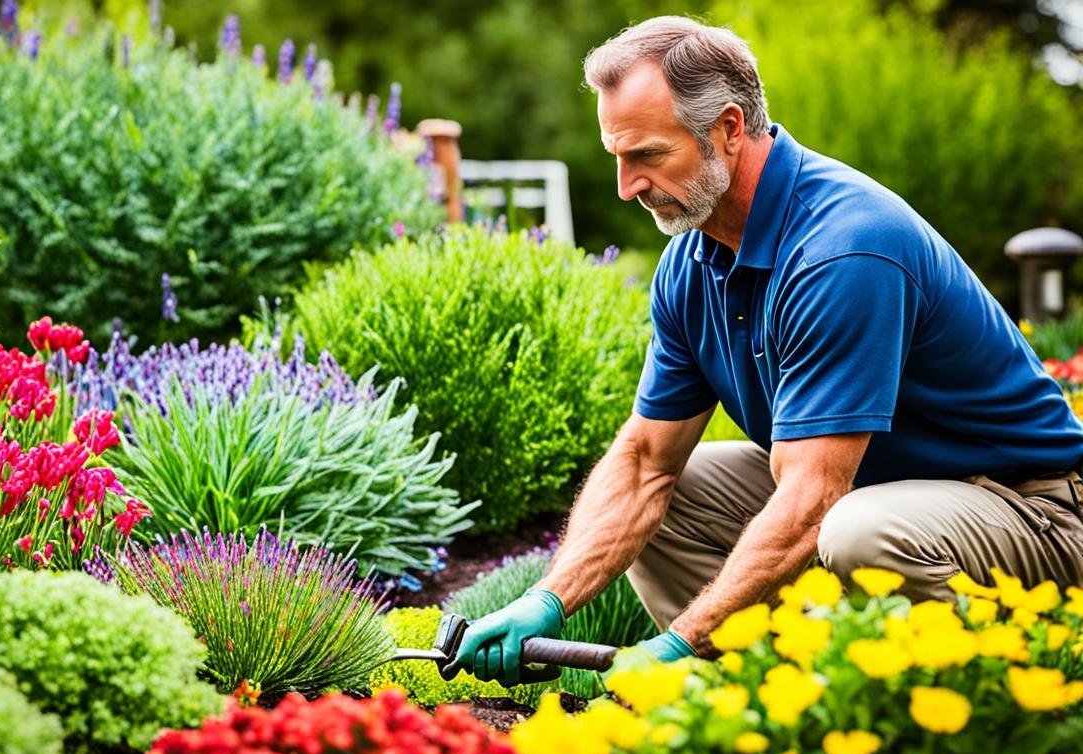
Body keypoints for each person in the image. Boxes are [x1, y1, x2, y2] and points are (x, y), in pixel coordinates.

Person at [454, 15, 1083, 685]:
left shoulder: (846, 247)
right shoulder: (691, 263)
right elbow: (644, 465)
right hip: (883, 491)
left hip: (1032, 512)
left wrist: (684, 642)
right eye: (617, 155)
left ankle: (975, 705)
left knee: (860, 532)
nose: (626, 186)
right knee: (674, 497)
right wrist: (544, 601)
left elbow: (814, 497)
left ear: (728, 129)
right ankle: (767, 705)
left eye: (647, 155)